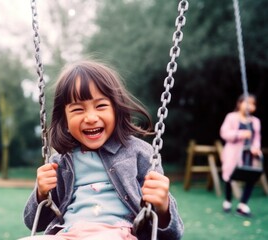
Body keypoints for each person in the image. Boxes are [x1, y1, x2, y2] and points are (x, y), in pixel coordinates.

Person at [23, 60, 184, 239]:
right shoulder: (60, 162)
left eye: (101, 106)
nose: (91, 118)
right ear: (65, 119)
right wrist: (41, 193)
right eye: (77, 109)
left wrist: (162, 207)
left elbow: (172, 234)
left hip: (118, 234)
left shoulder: (140, 153)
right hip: (68, 234)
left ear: (116, 109)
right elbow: (33, 223)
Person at [220, 93, 262, 217]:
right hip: (233, 153)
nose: (250, 106)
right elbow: (224, 133)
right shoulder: (231, 117)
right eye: (247, 103)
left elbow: (257, 138)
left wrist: (256, 148)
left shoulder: (255, 121)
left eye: (253, 104)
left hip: (249, 155)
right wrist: (240, 134)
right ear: (239, 103)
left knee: (251, 176)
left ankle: (243, 204)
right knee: (229, 176)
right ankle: (227, 201)